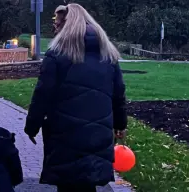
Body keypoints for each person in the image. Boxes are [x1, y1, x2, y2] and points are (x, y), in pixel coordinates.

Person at [23, 4, 127, 192]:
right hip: (98, 133)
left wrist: (32, 126)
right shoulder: (108, 54)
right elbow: (118, 94)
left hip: (65, 134)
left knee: (68, 183)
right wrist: (120, 124)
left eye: (57, 22)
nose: (55, 26)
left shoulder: (56, 55)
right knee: (89, 183)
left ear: (66, 24)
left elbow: (42, 94)